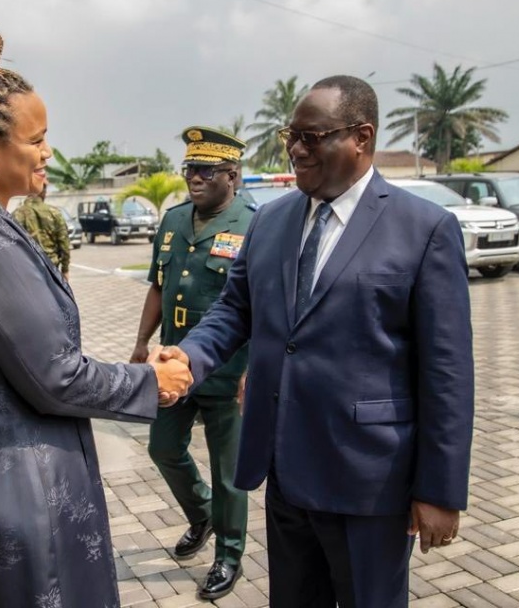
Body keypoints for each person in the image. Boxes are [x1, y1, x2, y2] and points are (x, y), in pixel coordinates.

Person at [0, 22, 192, 608]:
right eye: (38, 139)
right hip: (4, 494)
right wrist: (154, 381)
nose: (49, 152)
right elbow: (57, 377)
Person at [161, 75, 475, 607]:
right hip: (284, 469)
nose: (296, 149)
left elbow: (446, 372)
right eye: (292, 135)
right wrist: (189, 356)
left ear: (362, 137)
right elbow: (236, 309)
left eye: (313, 136)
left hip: (368, 480)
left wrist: (440, 490)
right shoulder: (273, 221)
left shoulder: (424, 229)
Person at [130, 126, 255, 600]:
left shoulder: (253, 224)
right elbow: (160, 285)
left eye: (206, 171)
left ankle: (228, 554)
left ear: (232, 175)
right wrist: (142, 341)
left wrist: (252, 367)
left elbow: (259, 305)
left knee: (229, 473)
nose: (194, 179)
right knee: (162, 447)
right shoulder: (174, 220)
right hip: (173, 364)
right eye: (189, 170)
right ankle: (202, 514)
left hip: (228, 370)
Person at [12, 183, 71, 280]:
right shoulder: (54, 212)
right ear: (44, 193)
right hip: (51, 266)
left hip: (26, 268)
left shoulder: (16, 214)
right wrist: (65, 269)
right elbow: (64, 243)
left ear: (28, 192)